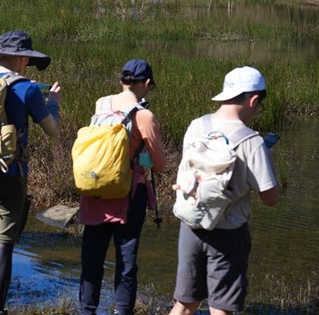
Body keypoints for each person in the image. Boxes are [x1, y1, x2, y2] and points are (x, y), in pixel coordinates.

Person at [169, 67, 280, 315]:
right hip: (228, 234)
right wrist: (268, 160)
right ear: (253, 100)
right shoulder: (252, 141)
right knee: (222, 307)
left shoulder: (196, 126)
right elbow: (271, 198)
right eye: (259, 105)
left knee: (186, 303)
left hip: (190, 225)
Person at [0, 30, 62, 315]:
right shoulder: (28, 89)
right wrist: (53, 101)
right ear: (21, 58)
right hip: (10, 171)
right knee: (4, 242)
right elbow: (53, 130)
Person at [79, 59, 166, 315]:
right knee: (126, 260)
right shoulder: (143, 115)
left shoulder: (101, 104)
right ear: (147, 84)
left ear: (121, 81)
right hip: (128, 194)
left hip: (94, 189)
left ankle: (87, 310)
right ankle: (122, 311)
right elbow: (159, 164)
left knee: (91, 257)